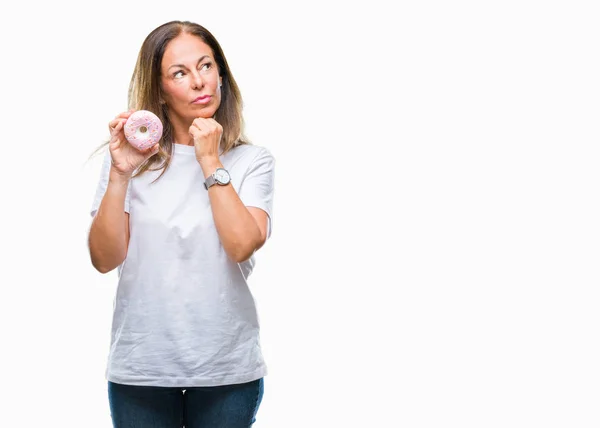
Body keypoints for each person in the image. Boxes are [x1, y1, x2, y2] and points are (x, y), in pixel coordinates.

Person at [87, 20, 274, 428]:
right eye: (179, 73)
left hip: (226, 367)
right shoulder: (127, 163)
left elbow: (242, 244)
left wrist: (210, 160)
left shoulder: (251, 161)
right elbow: (104, 259)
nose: (198, 82)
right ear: (160, 91)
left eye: (206, 66)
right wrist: (119, 175)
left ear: (221, 74)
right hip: (142, 366)